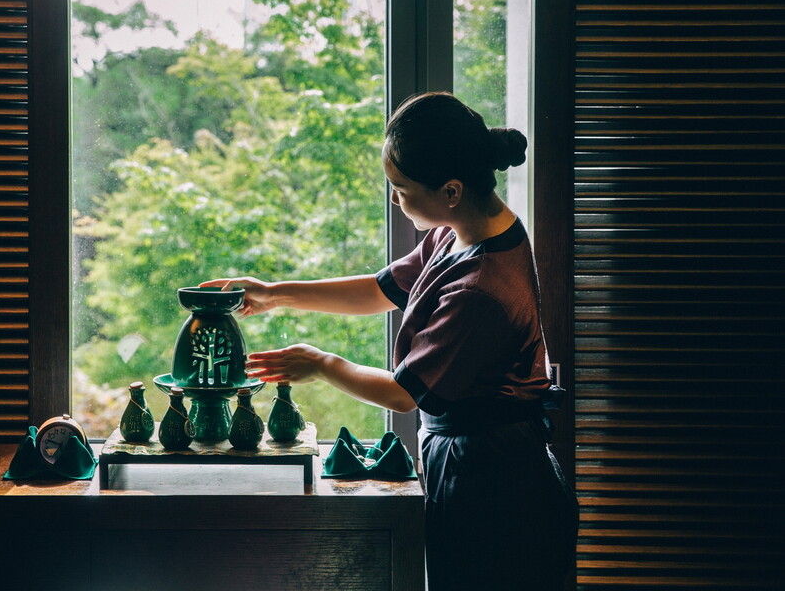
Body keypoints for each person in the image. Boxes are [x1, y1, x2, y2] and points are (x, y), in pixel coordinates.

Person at [202, 91, 578, 590]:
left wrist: (321, 363)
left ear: (450, 189)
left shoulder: (482, 289)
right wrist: (274, 294)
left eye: (400, 189)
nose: (395, 200)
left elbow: (403, 394)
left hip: (494, 477)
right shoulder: (462, 229)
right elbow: (382, 289)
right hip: (474, 459)